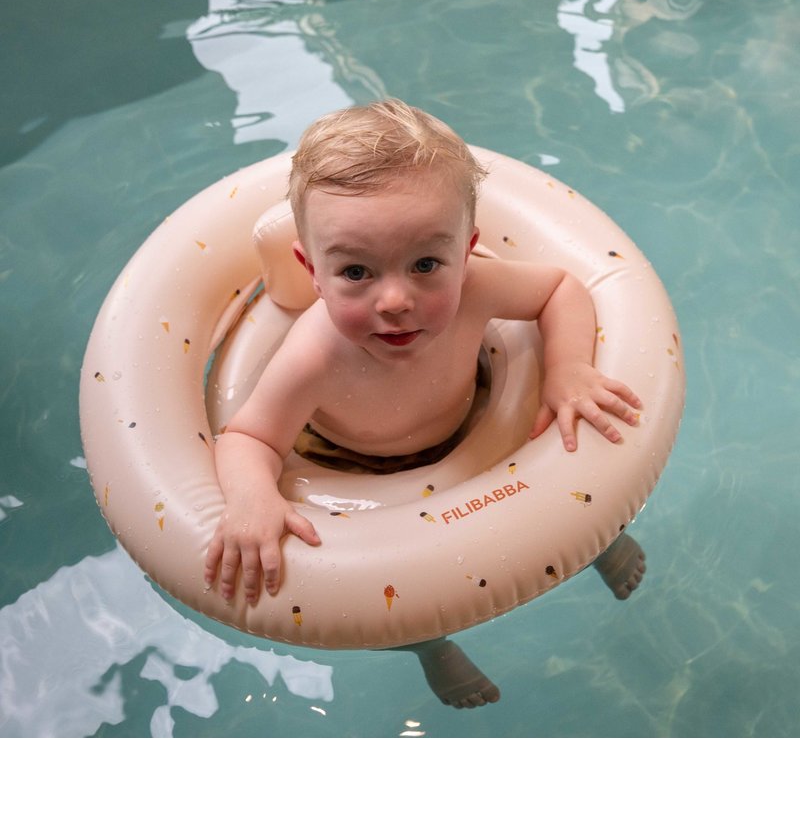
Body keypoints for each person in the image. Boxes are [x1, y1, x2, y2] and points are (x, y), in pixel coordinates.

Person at [204, 99, 646, 709]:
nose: (394, 300)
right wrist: (254, 498)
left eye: (425, 264)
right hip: (357, 464)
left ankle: (596, 541)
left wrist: (567, 371)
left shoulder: (477, 291)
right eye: (356, 271)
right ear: (311, 269)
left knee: (577, 477)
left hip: (471, 419)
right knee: (394, 596)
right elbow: (247, 438)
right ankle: (429, 644)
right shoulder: (315, 355)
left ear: (466, 252)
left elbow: (560, 290)